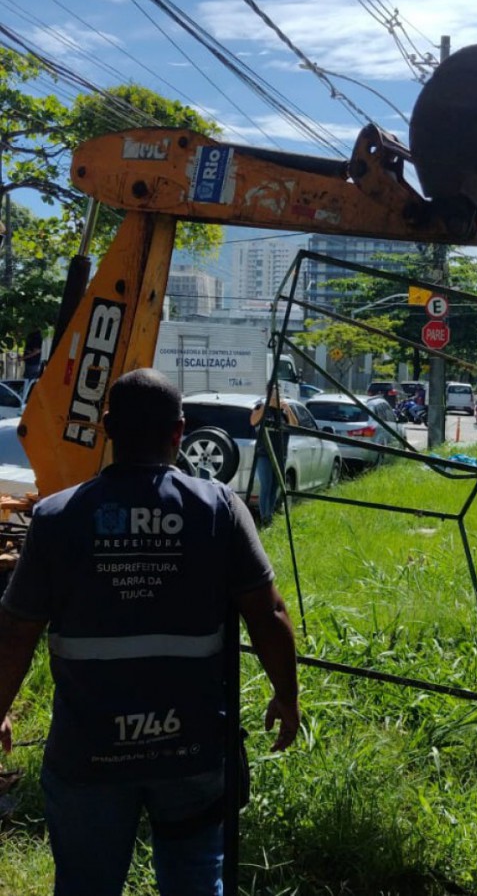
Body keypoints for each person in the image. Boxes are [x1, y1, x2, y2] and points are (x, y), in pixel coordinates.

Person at [0, 368, 300, 896]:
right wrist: (287, 696)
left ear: (108, 427)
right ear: (179, 432)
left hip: (88, 752)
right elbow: (268, 614)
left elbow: (15, 633)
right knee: (194, 881)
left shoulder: (55, 517)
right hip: (190, 751)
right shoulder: (220, 510)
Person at [250, 386, 299, 526]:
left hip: (280, 454)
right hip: (264, 453)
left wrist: (287, 409)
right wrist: (266, 406)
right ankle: (264, 517)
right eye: (272, 392)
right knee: (266, 484)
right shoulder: (260, 406)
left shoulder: (283, 411)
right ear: (267, 393)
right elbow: (253, 421)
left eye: (277, 392)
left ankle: (269, 516)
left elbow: (295, 426)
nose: (275, 394)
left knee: (275, 486)